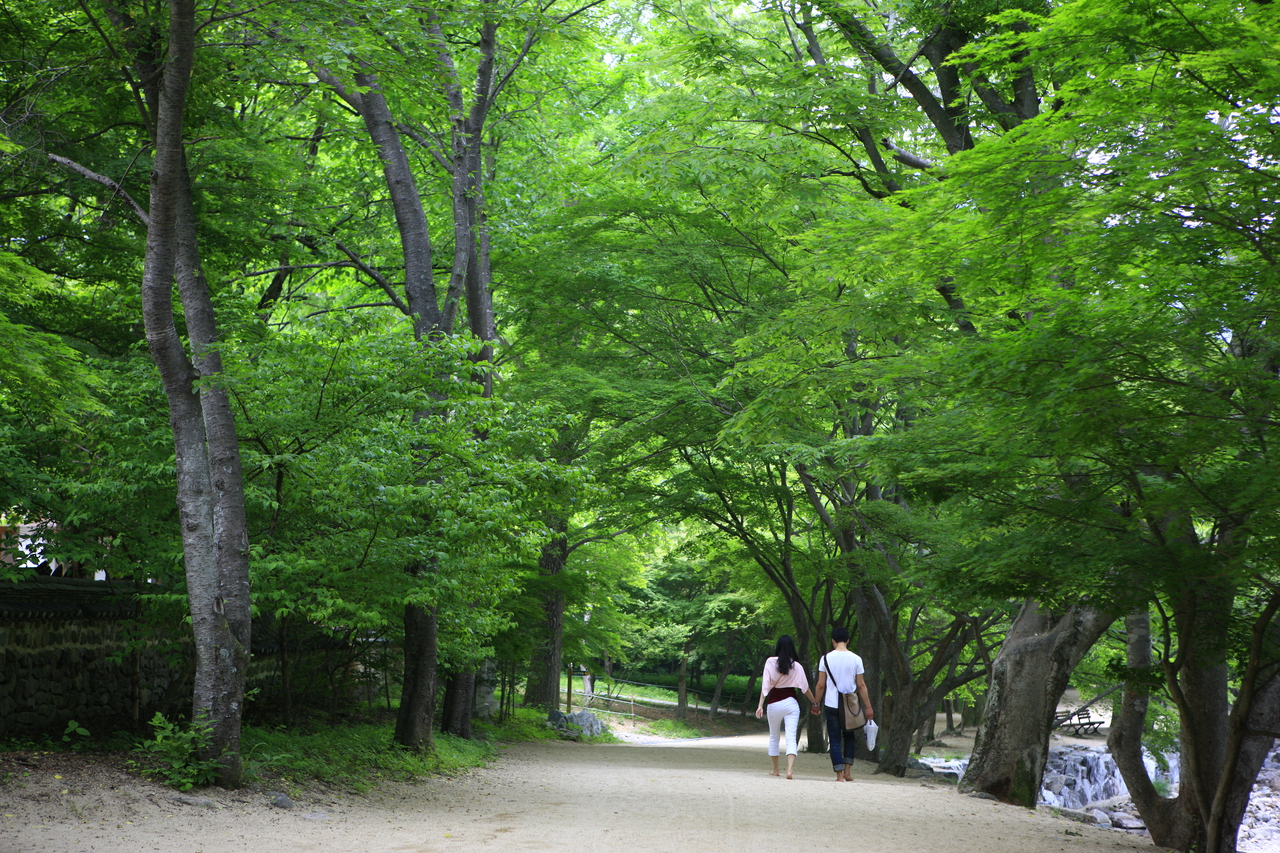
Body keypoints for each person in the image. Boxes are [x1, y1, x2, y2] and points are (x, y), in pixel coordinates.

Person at [810, 626, 874, 782]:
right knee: (850, 737)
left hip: (832, 704)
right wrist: (868, 706)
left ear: (833, 641)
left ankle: (838, 775)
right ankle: (847, 771)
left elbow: (820, 685)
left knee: (835, 739)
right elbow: (861, 685)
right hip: (851, 706)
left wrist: (816, 703)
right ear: (848, 640)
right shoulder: (856, 659)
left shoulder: (825, 659)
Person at [754, 635, 817, 779]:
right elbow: (805, 688)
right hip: (791, 703)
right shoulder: (797, 666)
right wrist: (814, 703)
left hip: (774, 703)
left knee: (774, 736)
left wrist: (760, 705)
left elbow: (766, 685)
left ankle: (776, 770)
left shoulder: (770, 662)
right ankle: (789, 770)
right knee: (791, 736)